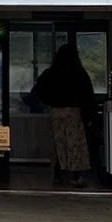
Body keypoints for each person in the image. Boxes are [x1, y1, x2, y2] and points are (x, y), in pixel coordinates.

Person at [30, 43, 97, 188]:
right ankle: (76, 176)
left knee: (57, 145)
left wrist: (48, 103)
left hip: (56, 113)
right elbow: (88, 96)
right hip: (73, 114)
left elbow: (37, 90)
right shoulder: (79, 73)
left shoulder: (50, 72)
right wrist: (90, 116)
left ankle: (57, 175)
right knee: (74, 145)